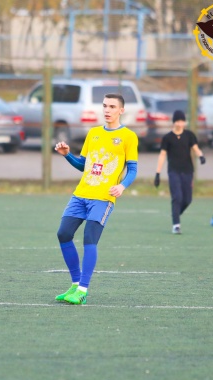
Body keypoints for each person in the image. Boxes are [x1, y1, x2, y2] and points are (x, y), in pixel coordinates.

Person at [54, 93, 138, 305]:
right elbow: (84, 165)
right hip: (81, 194)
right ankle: (75, 285)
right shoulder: (93, 133)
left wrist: (122, 186)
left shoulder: (128, 136)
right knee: (63, 234)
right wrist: (67, 155)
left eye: (112, 106)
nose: (107, 110)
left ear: (121, 110)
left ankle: (83, 290)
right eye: (105, 106)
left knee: (89, 238)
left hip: (103, 197)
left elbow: (133, 169)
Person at [153, 110, 206, 234]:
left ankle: (175, 213)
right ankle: (176, 224)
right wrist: (157, 173)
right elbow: (162, 155)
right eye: (178, 121)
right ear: (174, 122)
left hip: (187, 171)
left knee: (187, 199)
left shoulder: (189, 135)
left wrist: (201, 156)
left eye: (182, 121)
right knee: (177, 197)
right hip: (174, 171)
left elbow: (195, 148)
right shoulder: (167, 138)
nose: (180, 124)